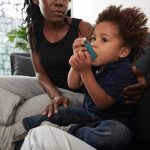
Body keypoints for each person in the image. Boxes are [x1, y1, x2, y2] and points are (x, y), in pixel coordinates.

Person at [0, 0, 147, 149]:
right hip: (85, 112)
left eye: (103, 40)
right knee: (58, 114)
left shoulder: (118, 67)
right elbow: (67, 81)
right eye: (94, 38)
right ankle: (14, 132)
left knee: (118, 135)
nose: (94, 43)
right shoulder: (97, 63)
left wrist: (86, 71)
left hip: (105, 118)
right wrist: (77, 61)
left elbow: (101, 102)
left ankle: (65, 132)